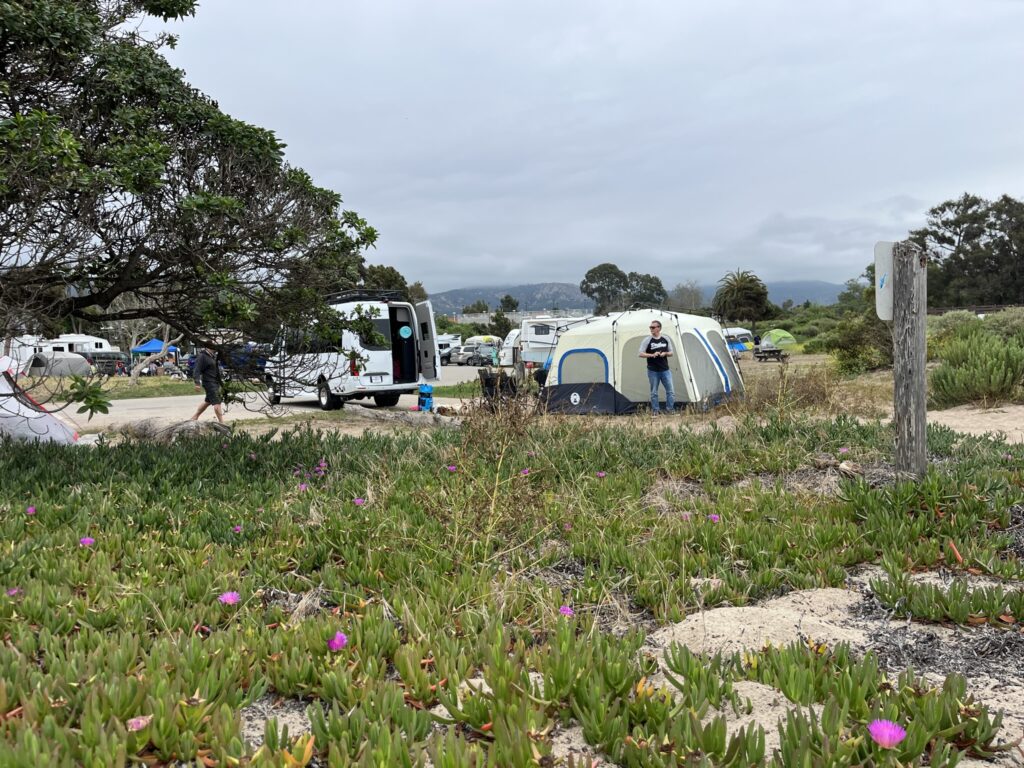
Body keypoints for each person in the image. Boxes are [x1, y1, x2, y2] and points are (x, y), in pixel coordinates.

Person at [638, 319, 675, 414]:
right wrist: (652, 355)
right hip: (653, 370)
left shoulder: (666, 338)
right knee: (654, 392)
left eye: (653, 327)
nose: (651, 329)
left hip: (665, 370)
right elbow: (640, 354)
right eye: (650, 327)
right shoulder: (647, 340)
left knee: (670, 391)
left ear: (659, 328)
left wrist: (665, 353)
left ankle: (670, 410)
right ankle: (655, 411)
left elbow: (671, 353)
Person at [190, 346, 225, 424]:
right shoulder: (202, 356)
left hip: (215, 382)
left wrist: (221, 383)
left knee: (208, 401)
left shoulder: (213, 356)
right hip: (209, 383)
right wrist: (197, 383)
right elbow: (196, 370)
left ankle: (194, 417)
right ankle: (222, 423)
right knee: (217, 402)